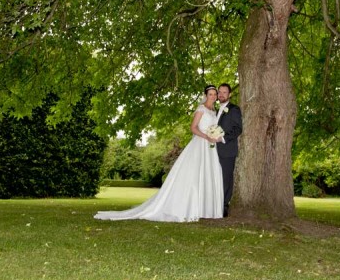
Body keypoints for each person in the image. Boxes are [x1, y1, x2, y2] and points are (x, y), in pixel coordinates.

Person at [94, 85, 224, 222]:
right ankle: (187, 207)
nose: (213, 96)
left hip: (210, 147)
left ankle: (204, 209)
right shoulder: (201, 109)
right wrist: (206, 137)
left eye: (215, 94)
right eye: (210, 94)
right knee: (193, 175)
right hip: (199, 144)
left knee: (207, 175)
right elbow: (193, 128)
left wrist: (215, 136)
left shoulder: (213, 111)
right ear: (205, 95)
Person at [215, 83, 242, 217]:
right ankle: (214, 204)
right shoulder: (215, 111)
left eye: (224, 92)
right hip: (213, 151)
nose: (221, 95)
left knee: (226, 178)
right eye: (219, 92)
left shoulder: (234, 109)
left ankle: (224, 206)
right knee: (215, 177)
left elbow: (238, 129)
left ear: (229, 94)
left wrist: (223, 138)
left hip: (227, 150)